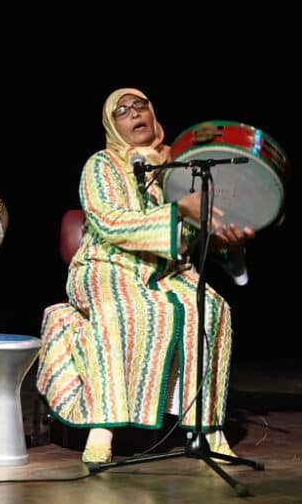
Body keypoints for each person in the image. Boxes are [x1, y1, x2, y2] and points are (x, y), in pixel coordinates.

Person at [38, 88, 250, 464]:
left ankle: (206, 428)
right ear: (111, 125)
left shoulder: (183, 165)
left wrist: (228, 244)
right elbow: (109, 221)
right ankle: (102, 427)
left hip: (167, 270)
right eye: (122, 111)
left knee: (210, 308)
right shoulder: (101, 164)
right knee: (119, 310)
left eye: (141, 106)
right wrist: (177, 212)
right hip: (106, 264)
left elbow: (197, 235)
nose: (134, 113)